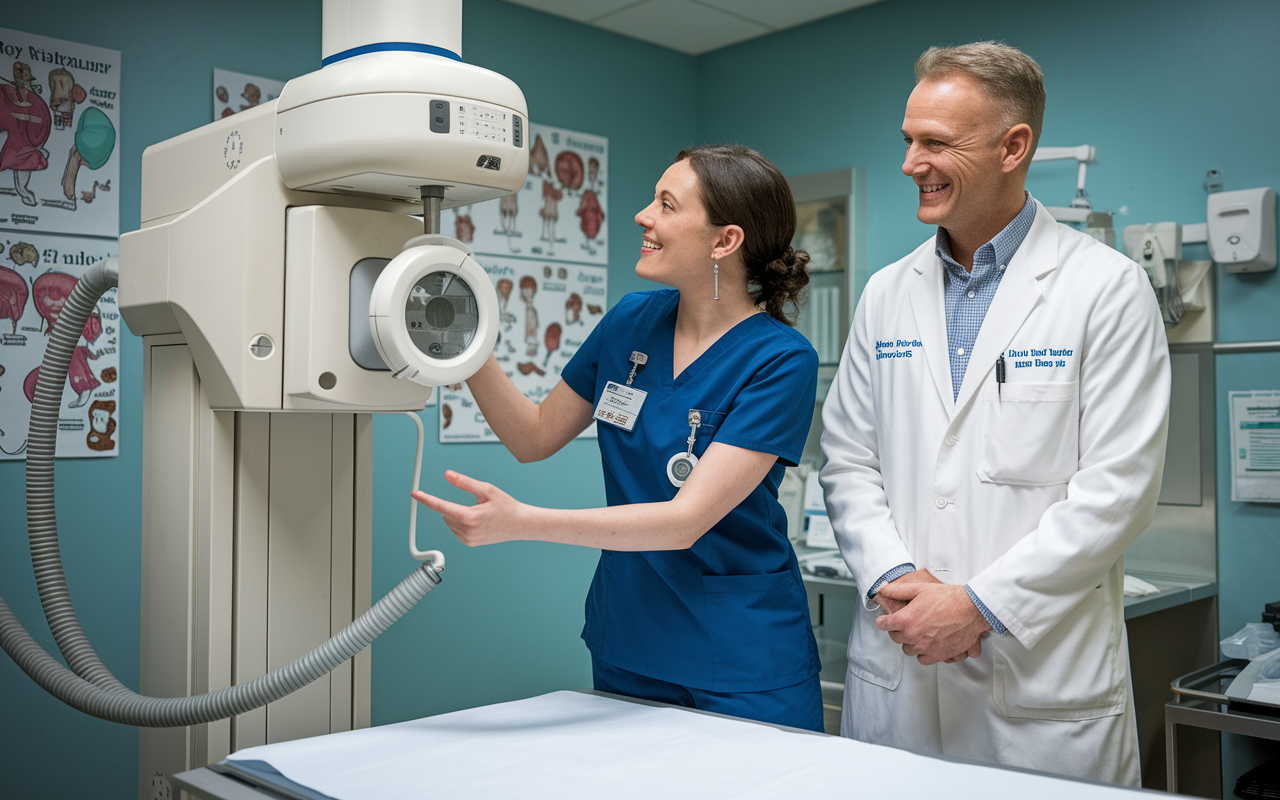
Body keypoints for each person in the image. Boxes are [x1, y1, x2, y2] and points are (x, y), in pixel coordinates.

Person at [819, 42, 1170, 784]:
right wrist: (895, 577)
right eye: (908, 140)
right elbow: (848, 459)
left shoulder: (1104, 288)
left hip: (1039, 690)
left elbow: (1118, 492)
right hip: (900, 660)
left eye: (936, 143)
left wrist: (978, 604)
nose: (912, 162)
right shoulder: (887, 292)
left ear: (1014, 147)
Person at [413, 144, 824, 731]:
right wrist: (466, 331)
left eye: (665, 204)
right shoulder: (632, 321)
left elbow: (686, 520)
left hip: (742, 655)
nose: (642, 216)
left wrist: (521, 522)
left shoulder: (781, 360)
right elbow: (533, 437)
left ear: (724, 241)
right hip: (630, 638)